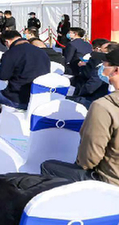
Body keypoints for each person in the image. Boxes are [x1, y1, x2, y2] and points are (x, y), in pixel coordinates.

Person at [41, 48, 119, 186]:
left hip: (108, 182)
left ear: (116, 70)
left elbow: (89, 159)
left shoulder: (103, 107)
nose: (101, 68)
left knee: (48, 167)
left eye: (104, 64)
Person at [0, 30, 50, 110]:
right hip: (39, 99)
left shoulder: (11, 53)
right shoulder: (42, 53)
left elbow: (3, 76)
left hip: (17, 98)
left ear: (7, 42)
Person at [68, 38, 111, 107]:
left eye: (101, 50)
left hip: (94, 99)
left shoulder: (102, 67)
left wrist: (79, 94)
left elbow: (91, 86)